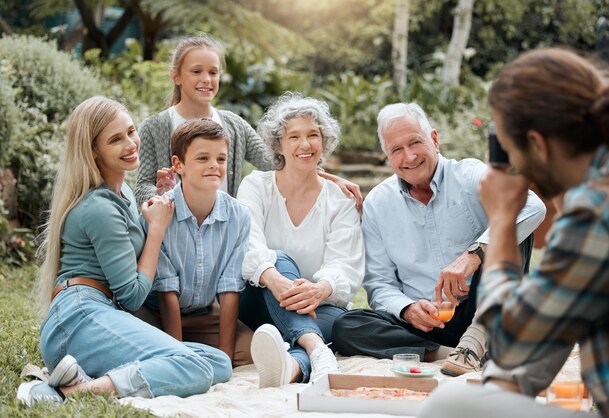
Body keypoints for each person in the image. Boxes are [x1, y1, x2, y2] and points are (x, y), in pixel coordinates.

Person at [421, 48, 609, 418]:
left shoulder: (598, 213)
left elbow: (513, 344)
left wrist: (500, 222)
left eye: (509, 147)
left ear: (537, 143)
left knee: (451, 404)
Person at [17, 97, 232, 405]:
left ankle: (87, 380)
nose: (131, 143)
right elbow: (132, 294)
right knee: (193, 366)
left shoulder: (124, 193)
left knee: (217, 362)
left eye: (131, 131)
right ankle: (68, 393)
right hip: (78, 318)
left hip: (101, 312)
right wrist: (156, 230)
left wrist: (162, 199)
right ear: (93, 150)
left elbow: (131, 253)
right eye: (116, 139)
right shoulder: (99, 207)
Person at [332, 102, 546, 376]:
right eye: (396, 149)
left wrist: (473, 255)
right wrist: (408, 309)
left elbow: (533, 206)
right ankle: (450, 353)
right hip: (426, 325)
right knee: (346, 326)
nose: (408, 157)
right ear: (387, 156)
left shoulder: (469, 175)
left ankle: (477, 339)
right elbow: (379, 284)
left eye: (415, 142)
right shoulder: (377, 203)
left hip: (483, 307)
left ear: (434, 139)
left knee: (514, 227)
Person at [135, 35, 363, 209]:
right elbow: (142, 185)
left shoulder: (234, 126)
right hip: (173, 235)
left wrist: (332, 181)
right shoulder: (156, 127)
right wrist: (159, 194)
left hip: (222, 236)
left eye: (213, 73)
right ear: (176, 76)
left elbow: (279, 162)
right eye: (196, 71)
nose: (206, 79)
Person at [237, 93, 364, 387]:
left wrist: (320, 289)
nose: (305, 145)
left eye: (313, 135)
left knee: (337, 322)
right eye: (293, 136)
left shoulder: (339, 201)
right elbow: (247, 244)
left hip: (317, 305)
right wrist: (274, 279)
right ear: (279, 144)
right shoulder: (256, 186)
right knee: (278, 258)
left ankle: (294, 366)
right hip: (258, 300)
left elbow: (345, 265)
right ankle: (319, 349)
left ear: (325, 141)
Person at [133, 118, 253, 367]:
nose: (214, 166)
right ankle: (180, 354)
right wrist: (180, 357)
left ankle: (203, 353)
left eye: (221, 159)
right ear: (178, 164)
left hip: (203, 314)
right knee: (138, 348)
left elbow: (229, 289)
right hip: (154, 313)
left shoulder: (238, 215)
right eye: (203, 158)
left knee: (251, 352)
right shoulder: (159, 212)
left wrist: (225, 356)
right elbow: (166, 290)